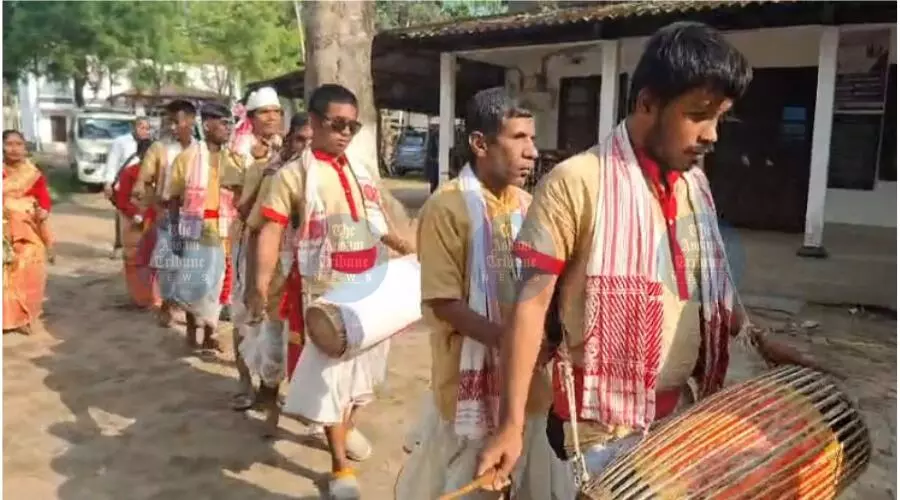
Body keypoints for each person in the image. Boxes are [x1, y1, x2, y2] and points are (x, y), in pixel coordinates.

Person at [475, 21, 830, 489]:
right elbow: (530, 306)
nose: (712, 135)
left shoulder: (694, 187)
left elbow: (698, 291)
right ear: (647, 103)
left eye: (720, 117)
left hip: (681, 417)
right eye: (699, 114)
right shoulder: (578, 181)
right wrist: (510, 426)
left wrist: (758, 339)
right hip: (599, 432)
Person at [395, 88, 573, 499]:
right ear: (479, 143)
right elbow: (443, 302)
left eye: (532, 138)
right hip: (467, 387)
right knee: (470, 482)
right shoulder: (447, 207)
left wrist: (541, 338)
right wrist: (513, 342)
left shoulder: (530, 205)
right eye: (518, 138)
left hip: (528, 388)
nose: (532, 151)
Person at [251, 84, 414, 499]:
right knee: (331, 380)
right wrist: (258, 286)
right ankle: (339, 465)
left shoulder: (360, 171)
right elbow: (270, 231)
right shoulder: (293, 175)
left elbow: (380, 225)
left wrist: (415, 253)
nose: (345, 133)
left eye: (352, 126)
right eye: (336, 124)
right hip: (327, 293)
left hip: (373, 289)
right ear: (316, 121)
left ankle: (348, 426)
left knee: (368, 374)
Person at [238, 112, 313, 431]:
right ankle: (270, 410)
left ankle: (320, 421)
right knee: (273, 348)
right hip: (280, 278)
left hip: (316, 279)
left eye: (312, 141)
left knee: (316, 349)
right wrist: (256, 286)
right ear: (289, 140)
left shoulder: (329, 176)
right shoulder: (276, 176)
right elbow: (256, 230)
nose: (305, 148)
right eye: (300, 140)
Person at [223, 86, 286, 411]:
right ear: (251, 118)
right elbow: (242, 207)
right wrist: (265, 170)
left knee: (278, 316)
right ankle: (245, 382)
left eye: (276, 111)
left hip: (284, 244)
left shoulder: (290, 147)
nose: (272, 117)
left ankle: (271, 385)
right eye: (264, 112)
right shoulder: (238, 153)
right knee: (246, 312)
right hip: (250, 239)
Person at [166, 102, 236, 350]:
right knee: (194, 279)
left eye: (230, 123)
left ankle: (210, 334)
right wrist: (174, 233)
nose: (228, 128)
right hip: (195, 228)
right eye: (223, 123)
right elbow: (173, 198)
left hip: (225, 228)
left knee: (216, 282)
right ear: (207, 125)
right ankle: (192, 332)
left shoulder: (234, 159)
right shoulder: (186, 158)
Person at [133, 100, 197, 327]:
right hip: (167, 213)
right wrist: (143, 192)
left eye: (176, 121)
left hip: (194, 215)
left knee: (192, 263)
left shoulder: (200, 150)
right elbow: (144, 177)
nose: (171, 127)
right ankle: (168, 307)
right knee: (169, 262)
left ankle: (185, 308)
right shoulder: (159, 148)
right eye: (167, 122)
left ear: (190, 121)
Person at [3, 129, 53, 335]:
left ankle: (22, 317)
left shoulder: (33, 174)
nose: (14, 149)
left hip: (29, 229)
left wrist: (43, 211)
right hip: (4, 229)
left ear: (25, 148)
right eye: (9, 144)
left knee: (30, 267)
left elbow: (44, 199)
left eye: (19, 144)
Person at [111, 138, 159, 309]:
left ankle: (156, 298)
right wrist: (136, 215)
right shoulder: (130, 173)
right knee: (134, 258)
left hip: (154, 221)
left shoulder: (161, 174)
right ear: (140, 155)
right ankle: (140, 298)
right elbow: (122, 200)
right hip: (133, 223)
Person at [104, 117, 152, 259]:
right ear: (134, 127)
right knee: (123, 214)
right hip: (123, 183)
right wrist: (108, 182)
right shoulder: (121, 142)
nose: (144, 131)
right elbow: (112, 162)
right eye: (141, 127)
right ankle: (120, 245)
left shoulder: (152, 145)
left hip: (142, 185)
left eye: (146, 128)